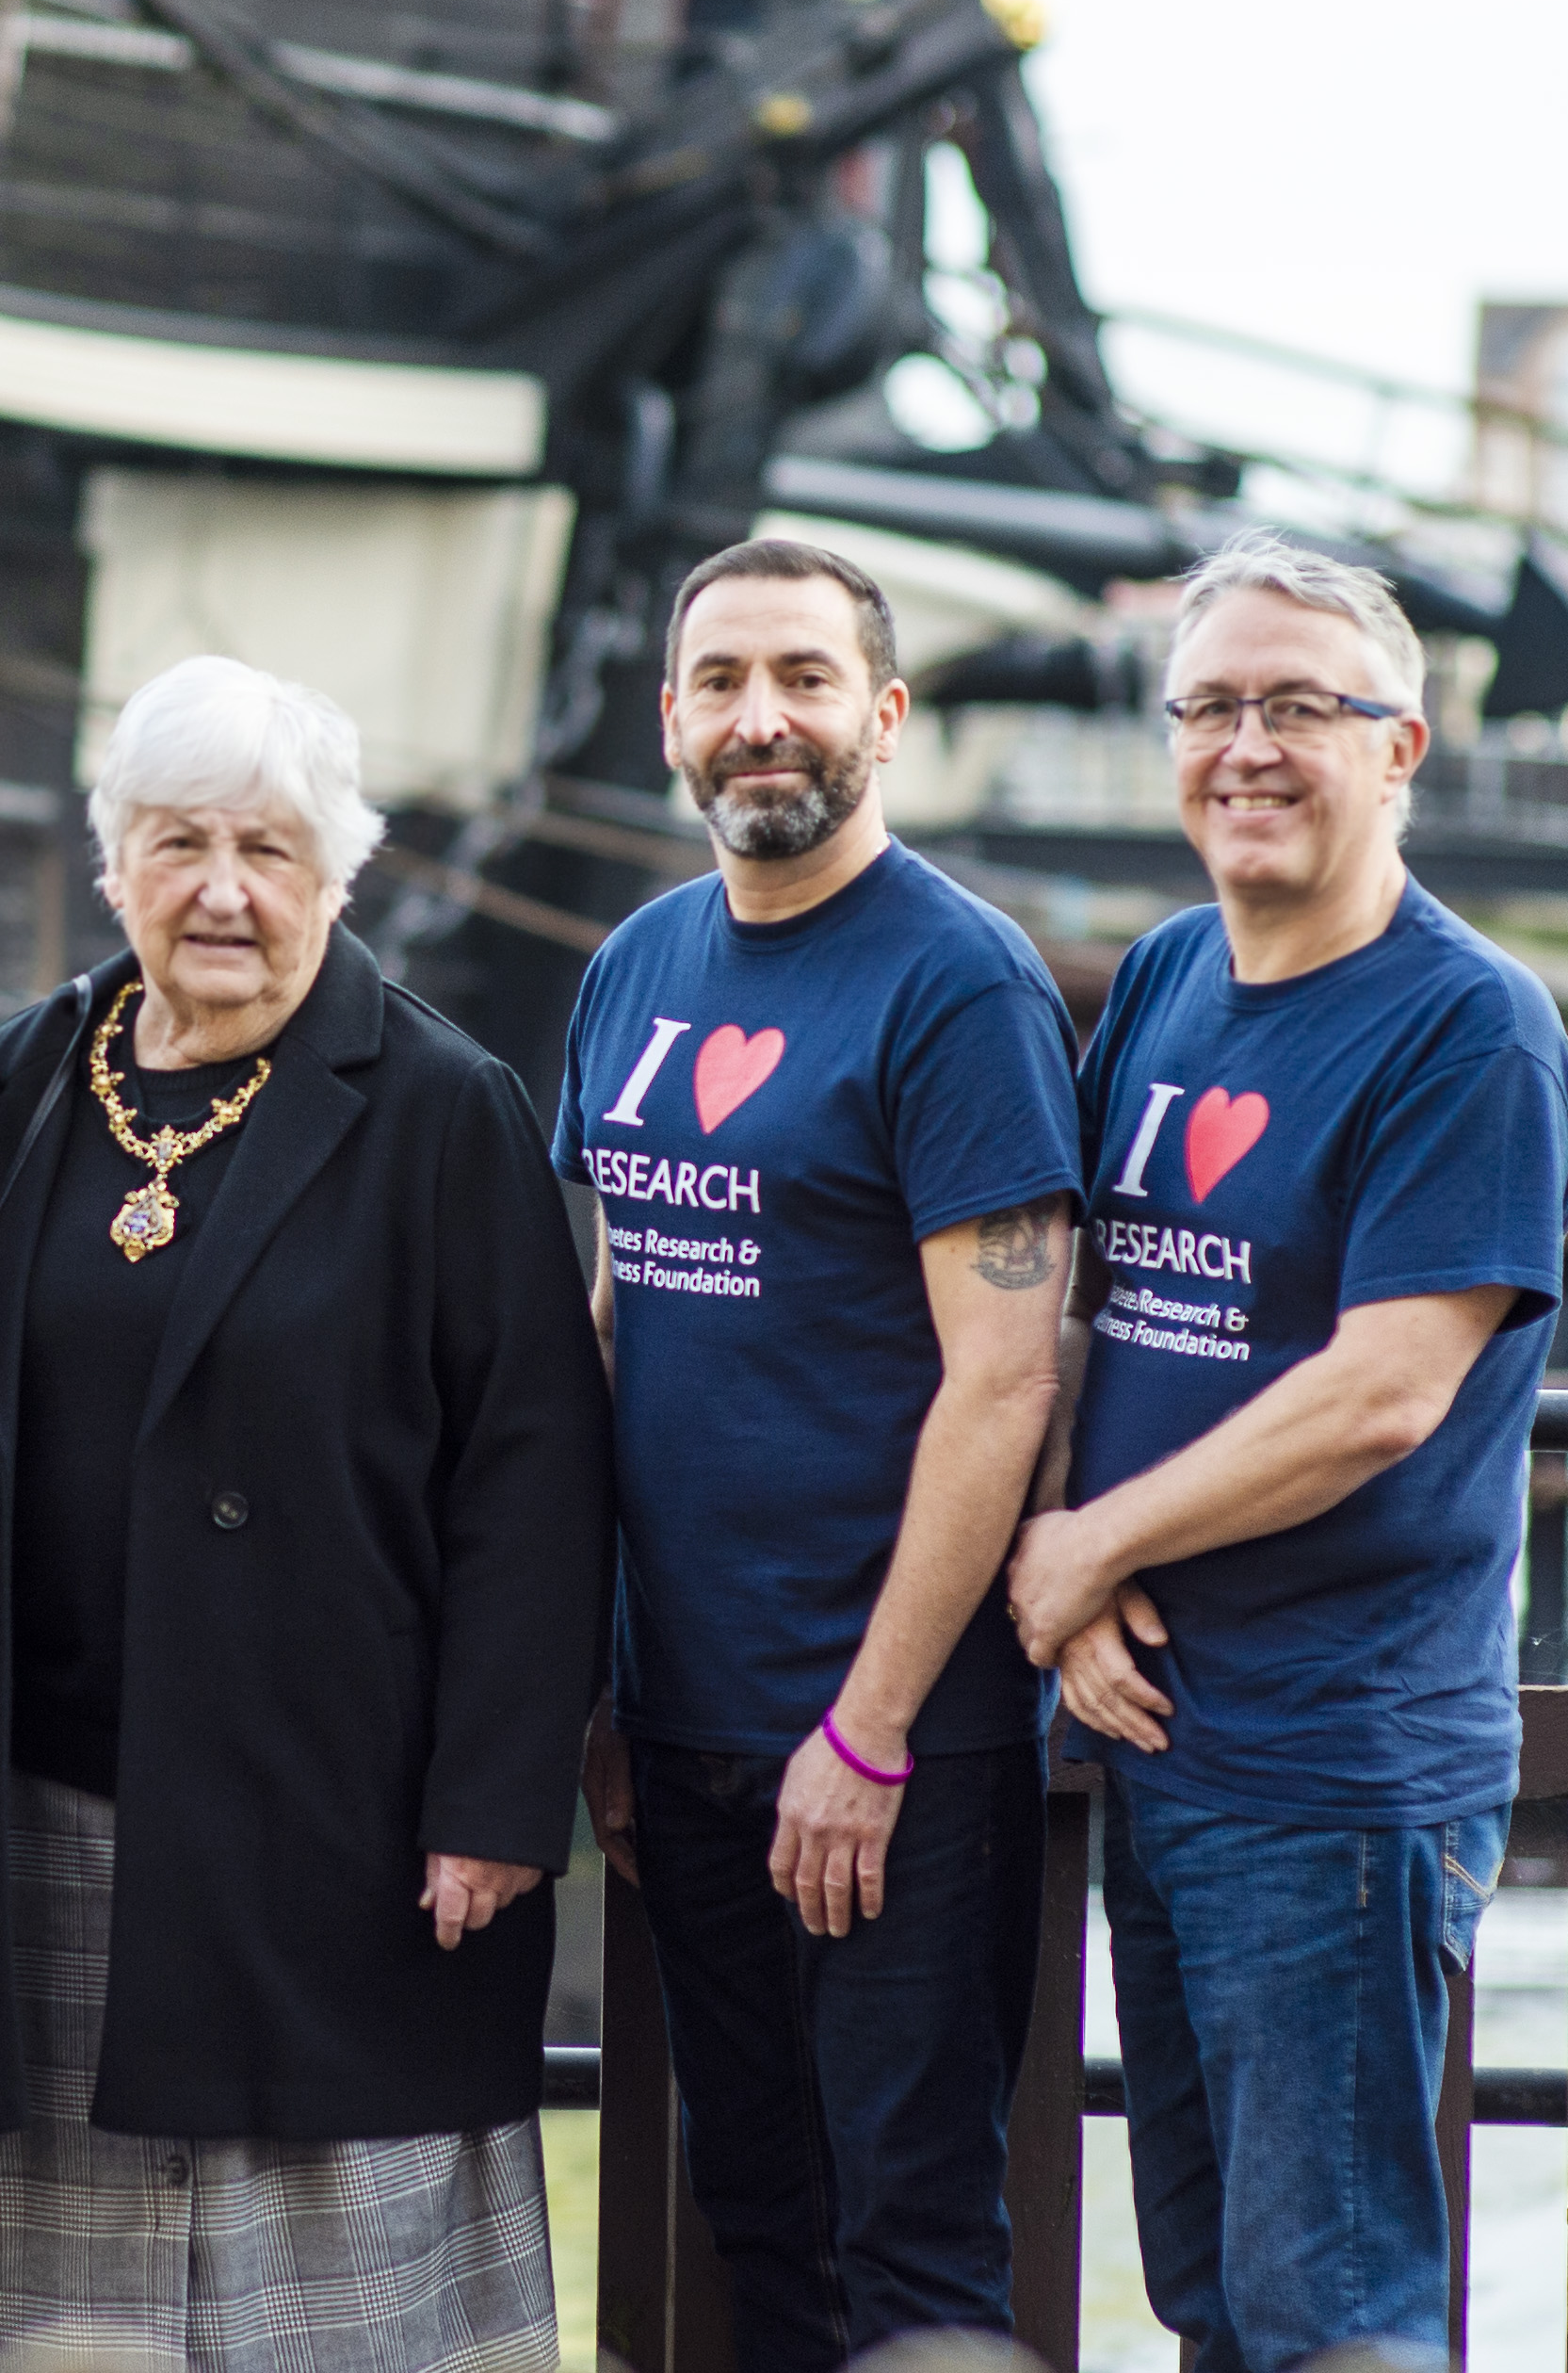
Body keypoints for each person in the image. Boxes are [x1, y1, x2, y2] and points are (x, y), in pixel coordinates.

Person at [0, 657, 613, 2371]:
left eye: (269, 849)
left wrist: (495, 1799)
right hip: (57, 1816)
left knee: (335, 2293)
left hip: (344, 1817)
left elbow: (536, 1477)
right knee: (91, 2300)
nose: (222, 889)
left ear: (337, 874)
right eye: (179, 843)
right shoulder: (20, 1082)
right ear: (115, 864)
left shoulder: (444, 1106)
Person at [1009, 530, 1568, 2373]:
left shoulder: (1467, 1028)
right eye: (1209, 707)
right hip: (1167, 1736)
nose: (1244, 746)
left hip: (1336, 1773)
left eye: (1297, 707)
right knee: (1209, 2296)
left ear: (1398, 745)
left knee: (1329, 2315)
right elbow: (1085, 1303)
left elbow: (1380, 1393)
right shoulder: (1167, 974)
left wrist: (1089, 1544)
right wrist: (1065, 1550)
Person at [552, 538, 1084, 2368]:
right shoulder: (635, 966)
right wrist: (601, 1683)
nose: (758, 717)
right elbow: (615, 1328)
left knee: (906, 2248)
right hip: (681, 1725)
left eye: (801, 676)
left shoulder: (959, 985)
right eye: (719, 681)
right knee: (760, 2223)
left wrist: (863, 1732)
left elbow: (1001, 1383)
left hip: (892, 1745)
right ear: (669, 719)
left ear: (884, 712)